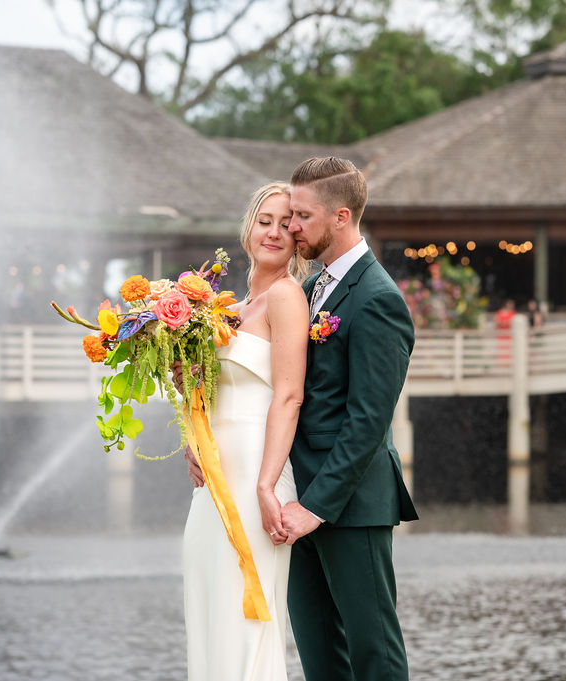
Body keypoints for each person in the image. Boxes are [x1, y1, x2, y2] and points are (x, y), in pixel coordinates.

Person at [281, 156, 418, 680]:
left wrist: (315, 507)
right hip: (298, 499)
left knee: (374, 651)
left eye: (302, 215)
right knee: (320, 657)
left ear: (341, 217)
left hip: (351, 505)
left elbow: (368, 423)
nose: (292, 226)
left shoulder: (378, 299)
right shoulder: (310, 287)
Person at [181, 182, 311, 681]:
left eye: (285, 224)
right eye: (264, 221)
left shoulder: (286, 297)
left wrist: (265, 484)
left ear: (298, 239)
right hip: (214, 479)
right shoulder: (227, 310)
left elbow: (289, 395)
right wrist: (192, 439)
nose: (274, 232)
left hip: (259, 469)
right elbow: (208, 393)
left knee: (247, 615)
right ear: (248, 229)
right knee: (209, 602)